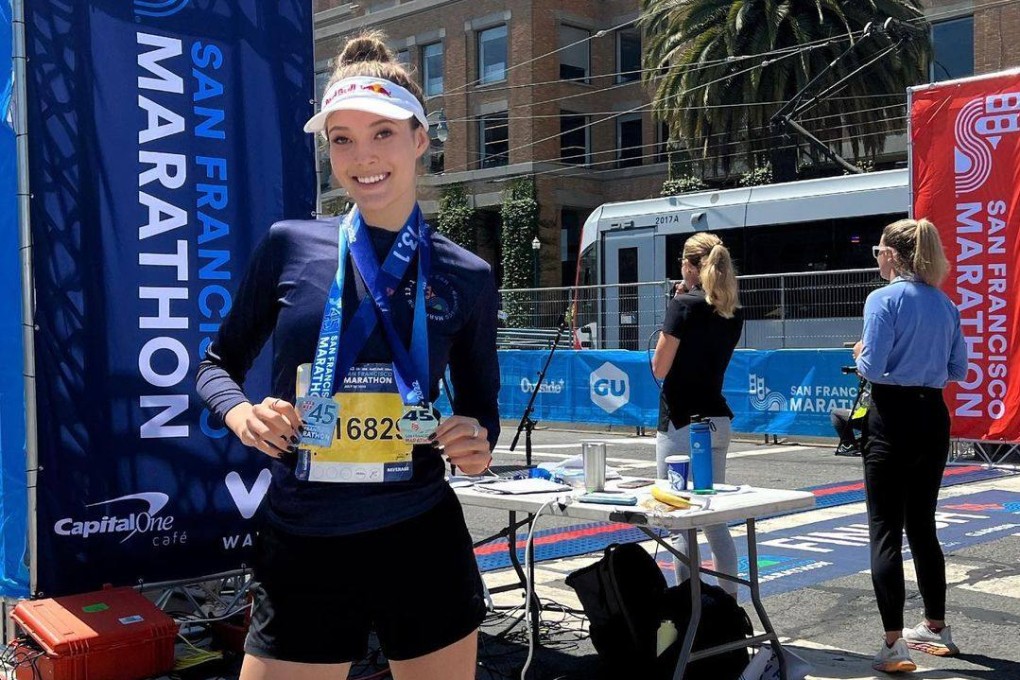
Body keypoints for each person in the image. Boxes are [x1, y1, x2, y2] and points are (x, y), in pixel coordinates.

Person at [196, 32, 500, 680]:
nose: (363, 156)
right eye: (342, 138)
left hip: (420, 539)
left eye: (383, 133)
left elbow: (482, 412)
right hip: (303, 542)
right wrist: (241, 416)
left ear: (421, 138)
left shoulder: (466, 275)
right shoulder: (290, 246)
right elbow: (214, 366)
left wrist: (478, 441)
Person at [854, 218, 967, 673]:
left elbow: (873, 367)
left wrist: (858, 351)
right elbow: (958, 368)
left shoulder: (883, 299)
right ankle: (936, 626)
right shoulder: (945, 304)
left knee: (884, 526)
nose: (877, 257)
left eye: (879, 250)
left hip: (892, 415)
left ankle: (893, 644)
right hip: (932, 415)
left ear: (894, 255)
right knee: (922, 524)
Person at [651, 233, 743, 595]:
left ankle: (690, 606)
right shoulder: (731, 309)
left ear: (691, 267)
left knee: (681, 518)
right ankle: (730, 605)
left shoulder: (683, 306)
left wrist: (673, 307)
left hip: (681, 421)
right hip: (716, 418)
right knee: (714, 518)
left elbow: (660, 367)